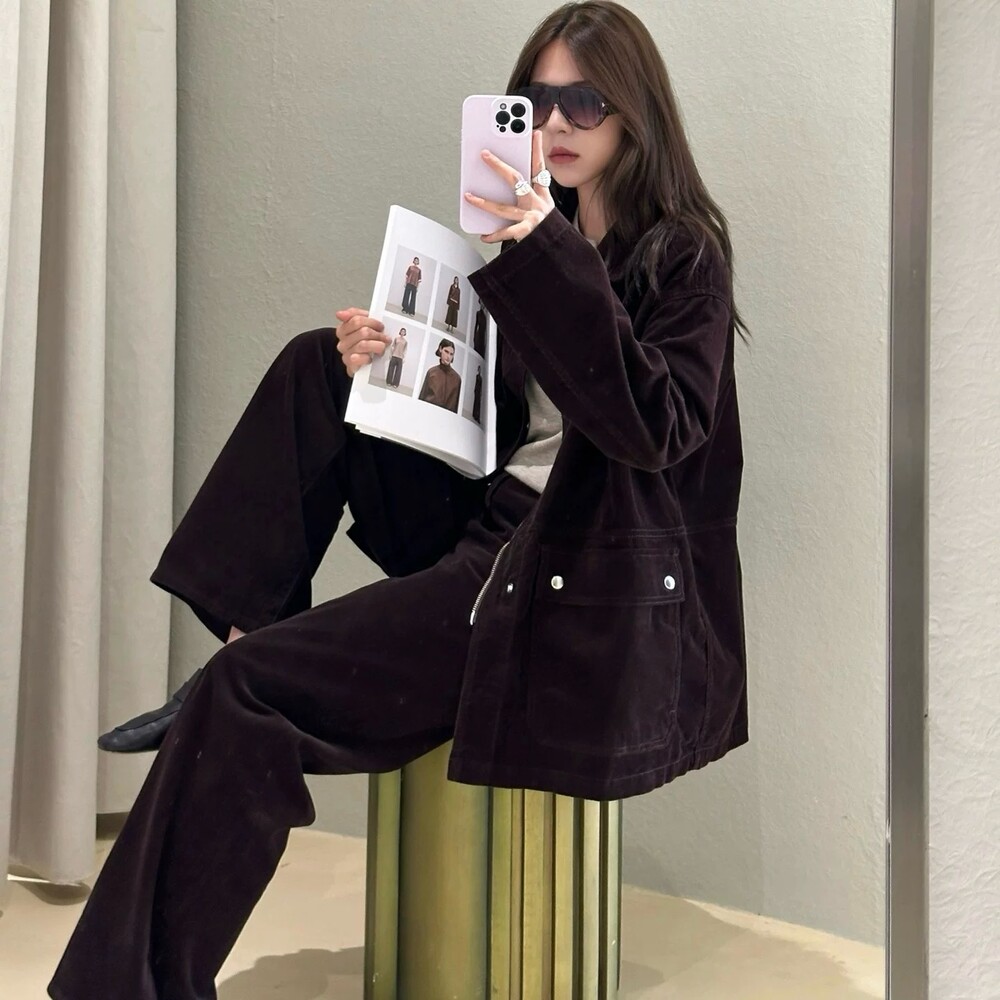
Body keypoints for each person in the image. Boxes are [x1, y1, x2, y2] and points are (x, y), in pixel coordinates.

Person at [50, 2, 750, 996]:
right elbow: (511, 418)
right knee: (317, 367)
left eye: (584, 103)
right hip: (492, 521)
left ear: (634, 114)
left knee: (244, 697)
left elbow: (655, 427)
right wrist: (393, 363)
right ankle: (250, 631)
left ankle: (131, 965)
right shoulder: (539, 235)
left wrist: (543, 251)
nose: (555, 123)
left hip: (562, 578)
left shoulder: (681, 254)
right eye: (536, 100)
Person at [417, 338, 462, 411]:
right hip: (428, 412)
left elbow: (455, 407)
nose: (448, 356)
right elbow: (422, 397)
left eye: (451, 354)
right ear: (440, 349)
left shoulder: (457, 379)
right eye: (446, 351)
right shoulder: (431, 372)